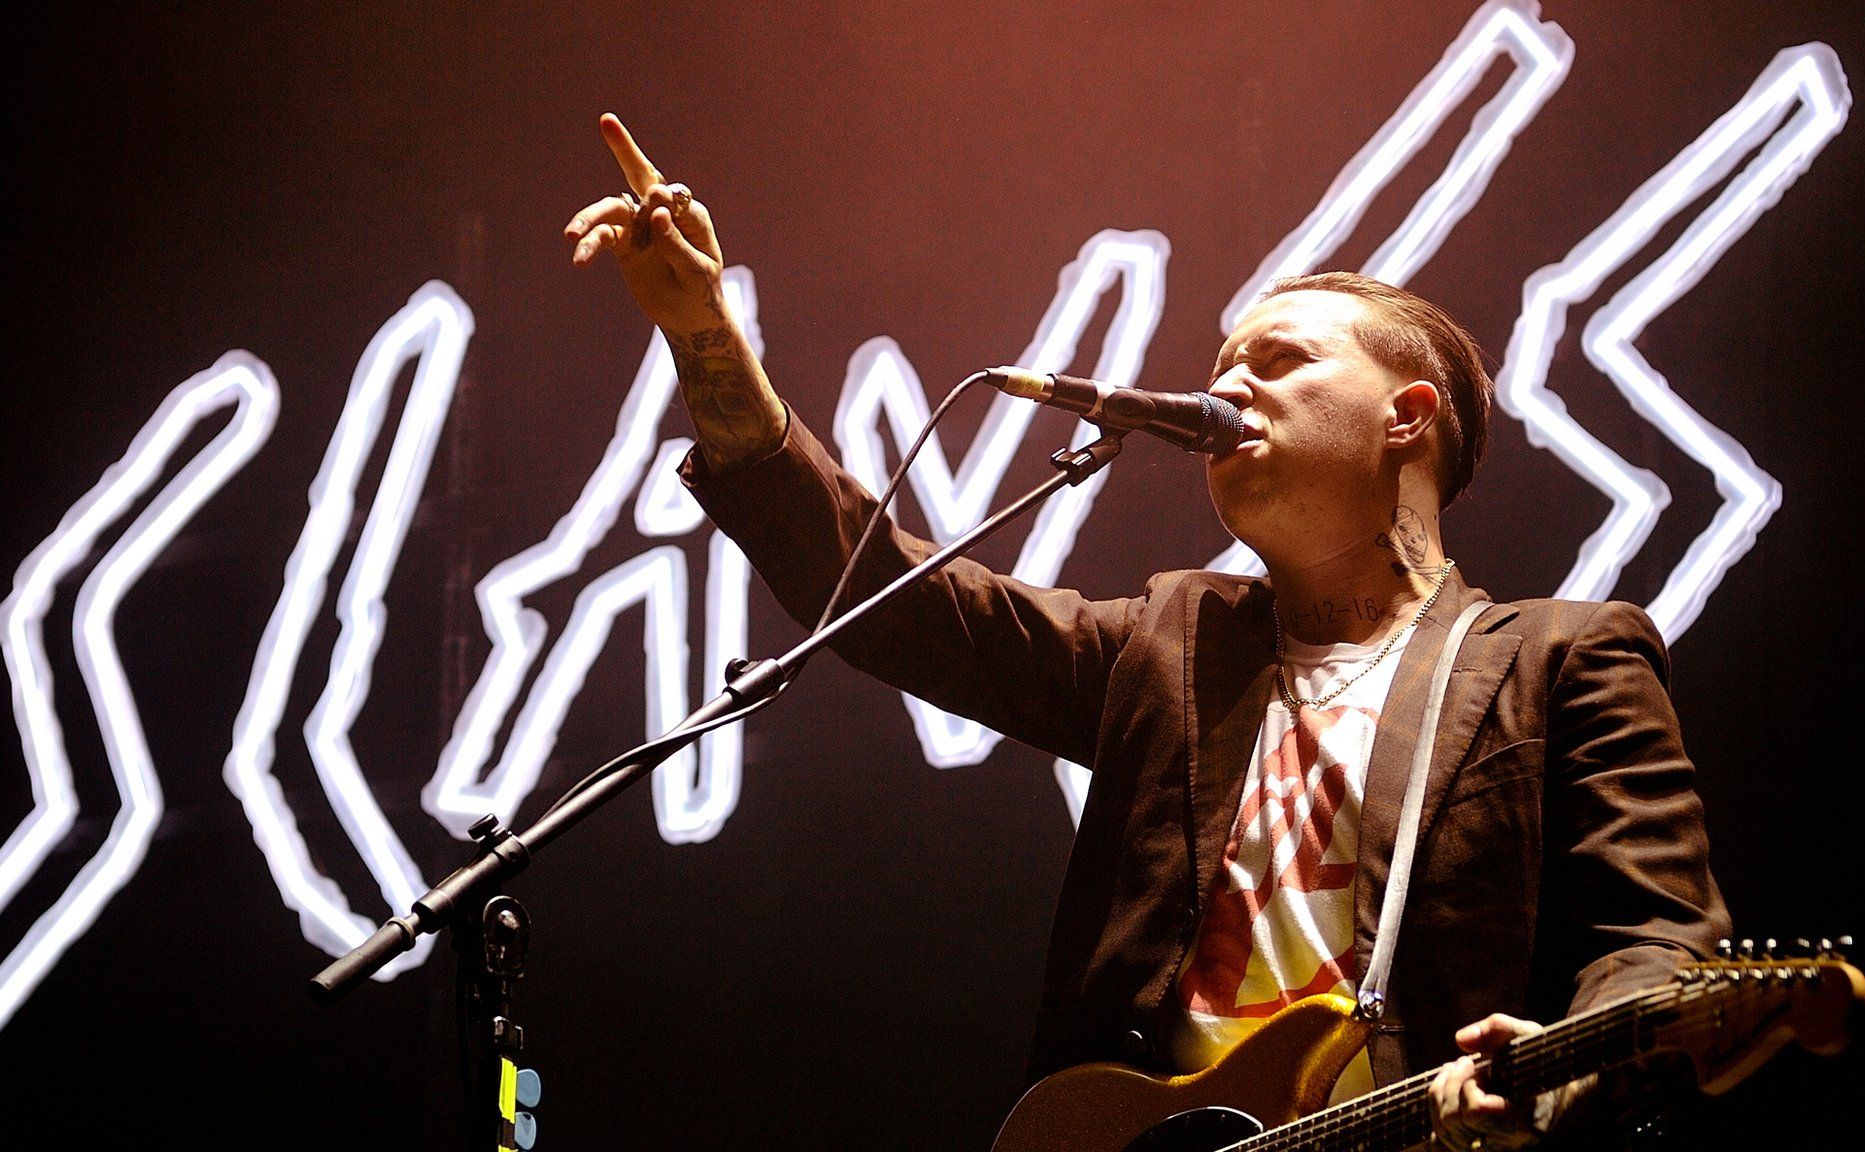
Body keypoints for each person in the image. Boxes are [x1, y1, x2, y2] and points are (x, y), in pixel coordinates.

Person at [563, 113, 1728, 1148]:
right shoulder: (1175, 641)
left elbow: (1655, 942)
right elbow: (891, 603)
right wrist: (704, 333)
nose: (1227, 388)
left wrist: (1560, 1086)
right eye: (1220, 365)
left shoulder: (1561, 657)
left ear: (1405, 416)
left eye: (1277, 361)